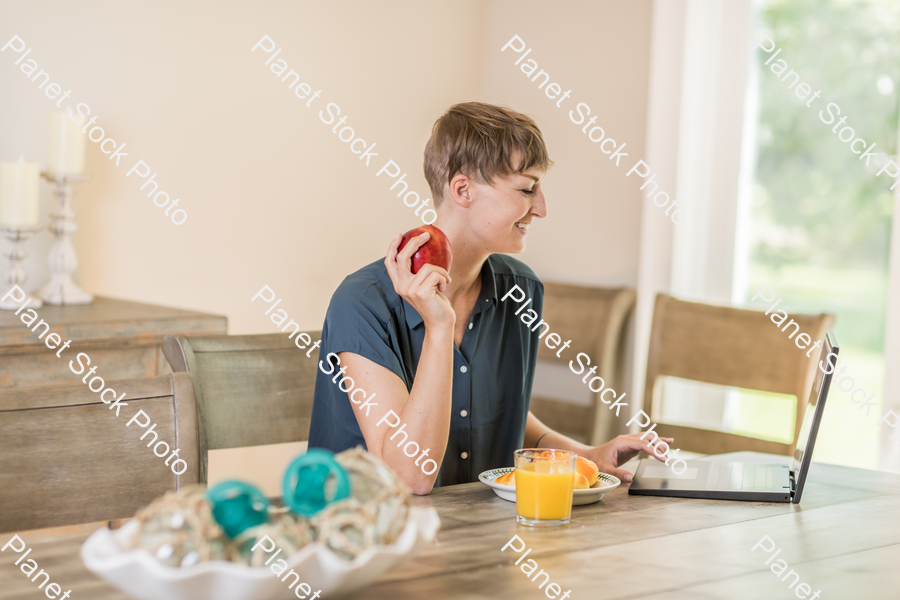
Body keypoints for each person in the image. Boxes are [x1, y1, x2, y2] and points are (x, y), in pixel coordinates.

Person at [308, 102, 672, 494]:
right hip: (367, 539)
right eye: (527, 188)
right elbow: (409, 477)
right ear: (462, 189)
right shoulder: (363, 302)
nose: (542, 208)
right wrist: (439, 327)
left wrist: (586, 457)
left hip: (478, 533)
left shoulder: (521, 289)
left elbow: (500, 413)